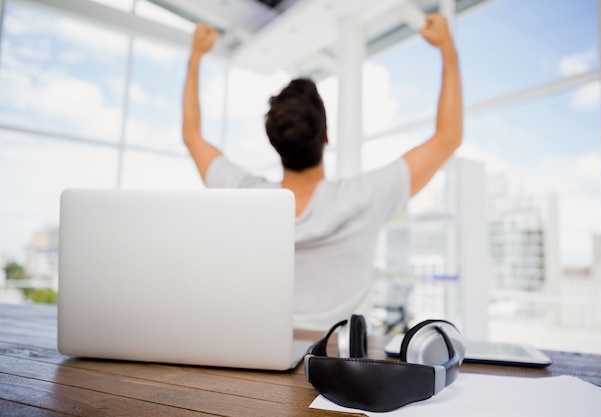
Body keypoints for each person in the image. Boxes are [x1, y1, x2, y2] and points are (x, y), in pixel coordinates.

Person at [182, 14, 462, 330]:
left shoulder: (248, 199)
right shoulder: (365, 196)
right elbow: (448, 136)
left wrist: (196, 55)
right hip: (342, 371)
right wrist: (447, 49)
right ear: (326, 137)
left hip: (264, 365)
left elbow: (192, 136)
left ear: (275, 144)